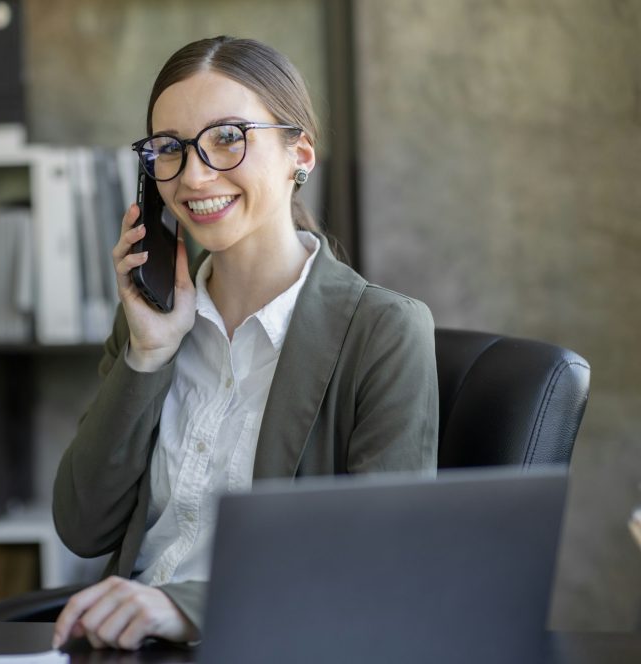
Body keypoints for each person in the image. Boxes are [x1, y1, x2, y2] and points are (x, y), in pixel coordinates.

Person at [51, 35, 438, 651]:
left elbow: (381, 564)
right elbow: (82, 526)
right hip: (130, 646)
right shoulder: (152, 323)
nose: (194, 174)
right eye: (169, 149)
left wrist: (180, 607)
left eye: (228, 138)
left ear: (299, 153)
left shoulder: (383, 331)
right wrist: (147, 355)